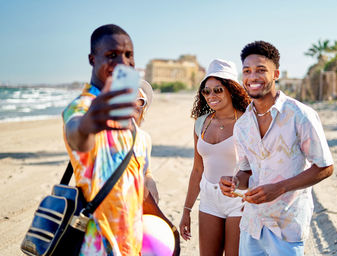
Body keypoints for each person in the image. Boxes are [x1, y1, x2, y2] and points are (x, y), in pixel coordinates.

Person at [62, 24, 179, 255]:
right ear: (92, 59)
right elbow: (77, 135)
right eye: (112, 55)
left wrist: (167, 226)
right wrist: (89, 123)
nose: (123, 62)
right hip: (97, 244)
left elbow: (133, 183)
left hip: (131, 242)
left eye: (128, 55)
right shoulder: (83, 107)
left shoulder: (130, 123)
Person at [219, 41, 334, 256]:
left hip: (287, 227)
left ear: (276, 74)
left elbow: (325, 167)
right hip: (252, 225)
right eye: (247, 71)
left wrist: (279, 188)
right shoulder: (242, 125)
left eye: (261, 70)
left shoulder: (300, 115)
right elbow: (247, 171)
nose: (252, 77)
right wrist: (234, 181)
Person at [179, 59, 250, 255]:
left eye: (218, 90)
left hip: (239, 198)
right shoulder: (200, 123)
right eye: (206, 91)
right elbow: (197, 169)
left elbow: (257, 166)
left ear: (231, 89)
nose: (211, 95)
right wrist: (186, 210)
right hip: (209, 198)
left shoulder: (247, 121)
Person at [134, 80, 159, 204]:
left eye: (140, 101)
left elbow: (147, 171)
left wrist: (151, 182)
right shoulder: (108, 136)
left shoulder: (145, 138)